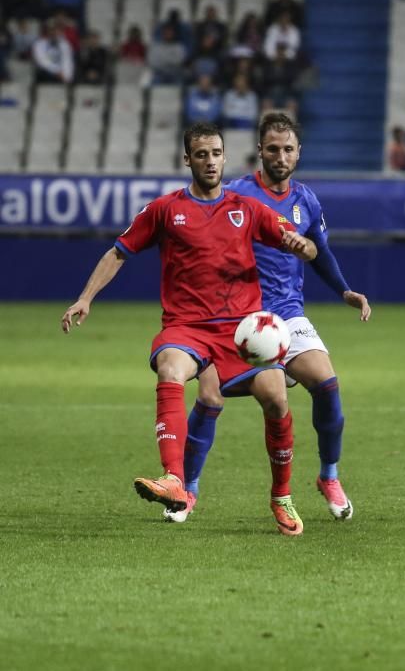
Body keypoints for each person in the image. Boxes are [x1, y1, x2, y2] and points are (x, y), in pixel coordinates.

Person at [61, 121, 318, 537]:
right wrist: (86, 297)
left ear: (224, 157)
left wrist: (303, 246)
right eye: (201, 155)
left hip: (241, 331)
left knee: (276, 400)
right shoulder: (164, 209)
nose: (210, 161)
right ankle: (174, 481)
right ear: (188, 160)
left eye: (216, 154)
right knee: (170, 369)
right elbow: (118, 252)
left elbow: (297, 241)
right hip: (187, 326)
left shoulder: (246, 208)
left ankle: (281, 496)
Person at [163, 112, 371, 525]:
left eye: (288, 149)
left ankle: (328, 475)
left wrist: (344, 289)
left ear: (298, 153)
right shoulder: (236, 194)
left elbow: (320, 251)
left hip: (287, 316)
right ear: (259, 151)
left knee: (327, 383)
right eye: (272, 148)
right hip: (236, 317)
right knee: (209, 397)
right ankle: (188, 489)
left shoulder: (306, 201)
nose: (280, 155)